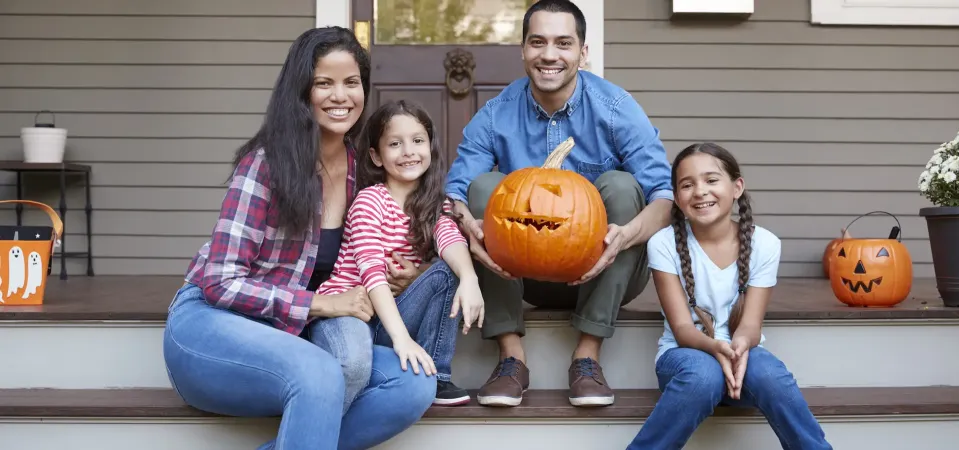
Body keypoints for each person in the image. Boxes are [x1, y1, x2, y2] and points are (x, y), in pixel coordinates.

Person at [161, 26, 437, 450]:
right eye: (323, 83)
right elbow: (219, 280)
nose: (340, 96)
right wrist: (317, 302)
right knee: (321, 372)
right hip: (212, 327)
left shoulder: (363, 172)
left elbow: (393, 234)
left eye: (351, 83)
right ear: (301, 91)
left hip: (298, 335)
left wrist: (409, 270)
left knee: (413, 382)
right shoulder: (266, 164)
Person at [444, 0, 674, 408]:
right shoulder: (497, 113)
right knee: (483, 188)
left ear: (583, 52)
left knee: (623, 187)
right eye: (538, 42)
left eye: (563, 43)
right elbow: (455, 196)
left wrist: (624, 236)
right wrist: (469, 227)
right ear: (523, 49)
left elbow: (665, 199)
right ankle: (511, 357)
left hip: (605, 270)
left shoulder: (617, 109)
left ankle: (586, 356)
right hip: (520, 272)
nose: (549, 55)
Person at [626, 143, 832, 449]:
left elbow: (751, 326)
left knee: (770, 375)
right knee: (703, 375)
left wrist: (738, 346)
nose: (700, 191)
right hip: (685, 359)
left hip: (742, 360)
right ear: (677, 197)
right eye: (687, 184)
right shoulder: (663, 243)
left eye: (711, 180)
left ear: (736, 187)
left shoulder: (765, 244)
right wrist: (714, 348)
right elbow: (683, 330)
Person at [315, 99, 485, 406]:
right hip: (351, 310)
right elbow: (372, 274)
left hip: (392, 314)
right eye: (395, 144)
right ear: (376, 157)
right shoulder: (370, 202)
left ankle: (438, 377)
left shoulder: (437, 203)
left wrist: (470, 278)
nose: (408, 152)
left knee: (448, 271)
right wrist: (402, 339)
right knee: (352, 363)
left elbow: (449, 240)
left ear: (430, 148)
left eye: (417, 141)